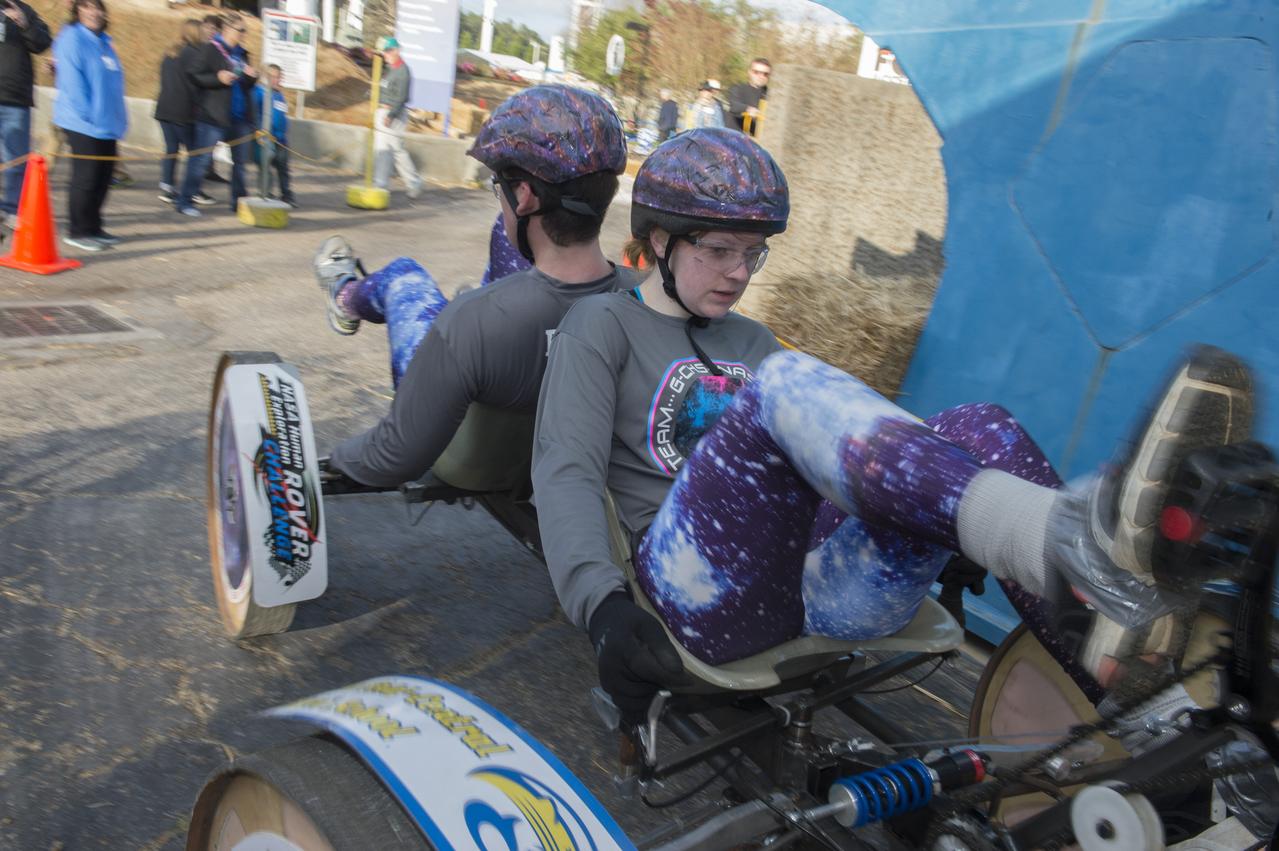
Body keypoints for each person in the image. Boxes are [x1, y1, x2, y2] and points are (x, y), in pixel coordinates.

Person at [531, 128, 1255, 723]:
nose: (739, 272)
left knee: (982, 425)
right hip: (691, 594)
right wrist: (600, 607)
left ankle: (1165, 721)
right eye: (717, 249)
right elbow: (564, 470)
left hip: (823, 589)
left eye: (753, 253)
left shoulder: (751, 340)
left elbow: (832, 455)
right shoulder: (602, 326)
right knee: (785, 384)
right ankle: (1063, 541)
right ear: (657, 239)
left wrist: (941, 513)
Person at [313, 85, 637, 488]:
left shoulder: (469, 326)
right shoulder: (645, 300)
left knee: (404, 276)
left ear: (524, 196)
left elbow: (390, 458)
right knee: (505, 240)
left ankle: (345, 298)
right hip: (560, 437)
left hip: (465, 447)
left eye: (498, 186)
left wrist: (329, 460)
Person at [53, 0, 126, 252]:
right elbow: (72, 82)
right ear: (77, 11)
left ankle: (94, 226)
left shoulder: (105, 42)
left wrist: (118, 118)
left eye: (97, 7)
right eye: (86, 7)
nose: (93, 12)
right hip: (82, 122)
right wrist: (88, 114)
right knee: (86, 177)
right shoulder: (72, 38)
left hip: (108, 123)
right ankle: (78, 230)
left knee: (104, 177)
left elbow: (114, 83)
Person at [175, 14, 256, 217]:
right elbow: (194, 74)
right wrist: (217, 78)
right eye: (241, 30)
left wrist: (251, 77)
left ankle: (238, 201)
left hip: (239, 117)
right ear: (228, 29)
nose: (244, 34)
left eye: (244, 30)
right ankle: (185, 201)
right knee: (201, 160)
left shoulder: (242, 53)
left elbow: (245, 84)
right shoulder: (211, 49)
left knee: (240, 164)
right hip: (213, 116)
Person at [0, 0, 51, 231]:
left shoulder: (23, 9)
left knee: (16, 160)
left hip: (15, 97)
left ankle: (11, 209)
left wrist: (23, 22)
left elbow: (42, 43)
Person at [155, 19, 209, 205]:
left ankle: (167, 187)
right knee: (195, 152)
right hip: (183, 111)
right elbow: (196, 84)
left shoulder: (170, 52)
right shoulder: (195, 54)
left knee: (171, 149)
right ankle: (193, 190)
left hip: (164, 108)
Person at [371, 36, 424, 201]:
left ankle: (414, 182)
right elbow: (385, 89)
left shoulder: (403, 71)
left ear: (396, 51)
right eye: (384, 51)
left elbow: (402, 97)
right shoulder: (390, 69)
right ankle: (380, 184)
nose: (385, 54)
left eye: (387, 51)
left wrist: (391, 114)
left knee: (396, 150)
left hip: (395, 114)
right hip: (383, 111)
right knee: (381, 150)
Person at [252, 64, 295, 206]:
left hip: (281, 139)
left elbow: (282, 115)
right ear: (267, 77)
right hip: (265, 138)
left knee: (283, 168)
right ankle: (265, 192)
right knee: (265, 167)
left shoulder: (279, 94)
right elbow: (255, 114)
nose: (278, 80)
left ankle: (286, 195)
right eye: (275, 77)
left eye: (279, 77)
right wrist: (260, 133)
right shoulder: (258, 92)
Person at [728, 57, 770, 135]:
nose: (761, 76)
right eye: (756, 72)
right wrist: (748, 109)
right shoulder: (738, 88)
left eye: (765, 74)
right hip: (737, 138)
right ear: (749, 72)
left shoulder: (770, 94)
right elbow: (734, 106)